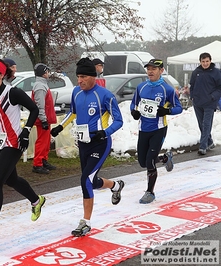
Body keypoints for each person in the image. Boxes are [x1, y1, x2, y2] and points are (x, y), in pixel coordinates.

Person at [0, 58, 45, 243]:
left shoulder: (13, 93)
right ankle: (36, 201)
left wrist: (26, 131)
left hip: (14, 143)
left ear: (1, 75)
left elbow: (34, 109)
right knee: (11, 179)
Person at [50, 58, 124, 237]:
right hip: (83, 144)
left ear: (93, 77)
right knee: (91, 180)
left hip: (100, 143)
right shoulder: (76, 92)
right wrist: (61, 126)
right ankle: (115, 185)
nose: (79, 81)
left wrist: (104, 132)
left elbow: (119, 120)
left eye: (83, 76)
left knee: (85, 180)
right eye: (78, 77)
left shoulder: (105, 95)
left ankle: (86, 222)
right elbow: (73, 112)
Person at [130, 58, 182, 204]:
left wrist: (166, 111)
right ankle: (165, 158)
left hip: (158, 129)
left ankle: (150, 192)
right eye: (148, 69)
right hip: (143, 129)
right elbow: (133, 104)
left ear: (161, 71)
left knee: (150, 161)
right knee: (142, 162)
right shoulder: (141, 87)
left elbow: (178, 107)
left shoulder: (167, 89)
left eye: (154, 69)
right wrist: (134, 112)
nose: (150, 71)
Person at [189, 52, 221, 155]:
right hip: (198, 102)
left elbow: (219, 88)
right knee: (201, 125)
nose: (205, 63)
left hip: (210, 103)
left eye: (207, 61)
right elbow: (192, 85)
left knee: (206, 124)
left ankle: (203, 147)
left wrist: (213, 97)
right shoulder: (196, 72)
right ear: (200, 62)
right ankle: (210, 142)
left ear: (210, 61)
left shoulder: (216, 72)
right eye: (203, 61)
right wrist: (192, 96)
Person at [31, 63, 57, 174]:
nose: (48, 74)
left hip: (45, 118)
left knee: (46, 141)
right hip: (43, 119)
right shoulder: (40, 86)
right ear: (44, 73)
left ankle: (43, 159)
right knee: (42, 141)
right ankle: (37, 164)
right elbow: (39, 105)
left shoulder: (42, 85)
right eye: (47, 72)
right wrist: (43, 119)